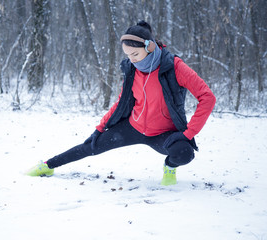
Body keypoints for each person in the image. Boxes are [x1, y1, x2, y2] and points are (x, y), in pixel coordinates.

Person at [26, 20, 216, 186]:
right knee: (90, 146)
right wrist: (100, 128)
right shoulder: (131, 69)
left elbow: (207, 97)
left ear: (149, 47)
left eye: (135, 54)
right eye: (127, 55)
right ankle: (47, 166)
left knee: (184, 153)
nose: (131, 60)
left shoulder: (173, 66)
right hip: (133, 127)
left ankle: (169, 168)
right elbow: (121, 101)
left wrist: (188, 133)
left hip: (164, 133)